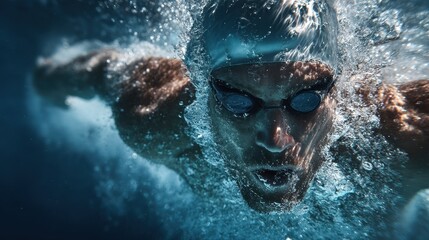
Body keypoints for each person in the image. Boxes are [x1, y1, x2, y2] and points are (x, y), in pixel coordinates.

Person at [33, 0, 428, 213]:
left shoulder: (404, 138)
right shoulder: (155, 120)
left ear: (337, 95)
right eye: (239, 101)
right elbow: (100, 70)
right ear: (204, 92)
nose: (275, 139)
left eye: (305, 99)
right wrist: (45, 78)